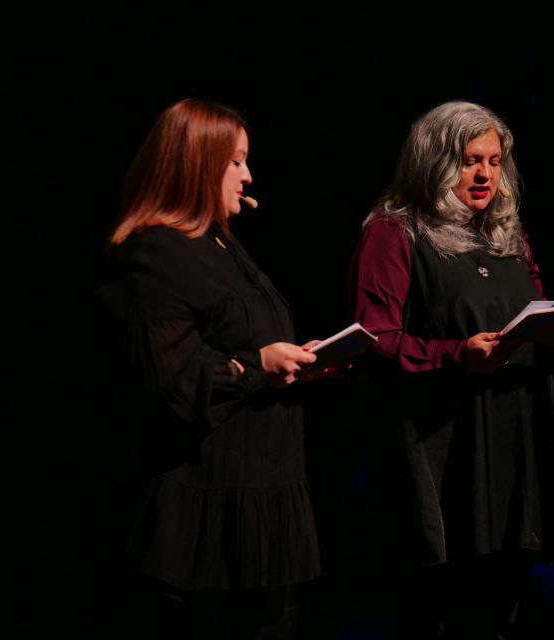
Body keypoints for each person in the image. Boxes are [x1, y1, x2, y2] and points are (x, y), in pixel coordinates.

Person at [94, 98, 329, 639]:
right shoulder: (156, 252)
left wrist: (298, 363)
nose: (249, 175)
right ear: (198, 165)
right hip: (207, 518)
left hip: (264, 497)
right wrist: (257, 367)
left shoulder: (223, 243)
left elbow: (246, 341)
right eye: (236, 161)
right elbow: (170, 380)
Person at [348, 101, 554, 639]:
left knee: (499, 608)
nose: (484, 175)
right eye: (470, 160)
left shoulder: (506, 235)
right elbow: (375, 340)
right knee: (440, 608)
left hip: (513, 441)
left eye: (494, 162)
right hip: (443, 446)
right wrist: (457, 355)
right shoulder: (395, 231)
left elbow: (531, 320)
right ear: (434, 160)